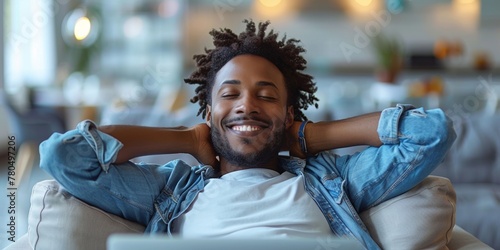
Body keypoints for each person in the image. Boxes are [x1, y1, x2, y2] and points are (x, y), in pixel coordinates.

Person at [39, 20, 456, 249]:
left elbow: (430, 133)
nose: (247, 106)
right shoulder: (172, 190)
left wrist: (309, 137)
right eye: (230, 94)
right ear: (208, 111)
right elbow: (65, 157)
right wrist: (188, 139)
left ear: (289, 112)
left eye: (267, 96)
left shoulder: (331, 184)